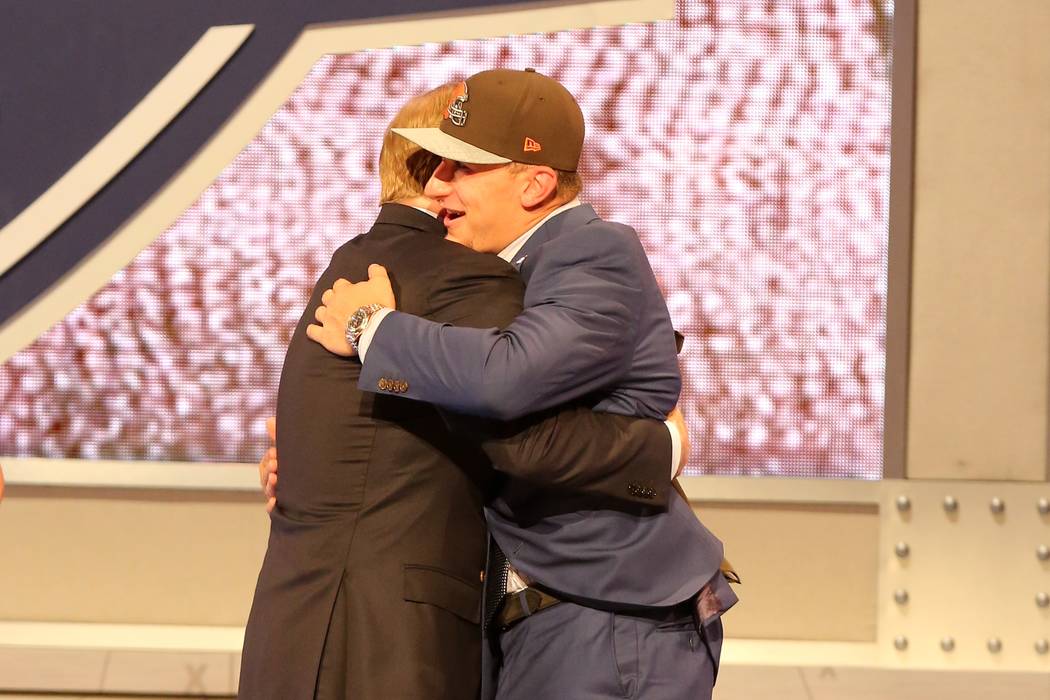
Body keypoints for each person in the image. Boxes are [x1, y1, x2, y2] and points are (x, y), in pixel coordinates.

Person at [239, 82, 688, 699]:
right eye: (437, 165)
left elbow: (504, 388)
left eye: (463, 167)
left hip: (605, 611)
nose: (439, 186)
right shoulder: (490, 273)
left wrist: (370, 327)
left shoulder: (591, 254)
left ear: (533, 185)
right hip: (532, 620)